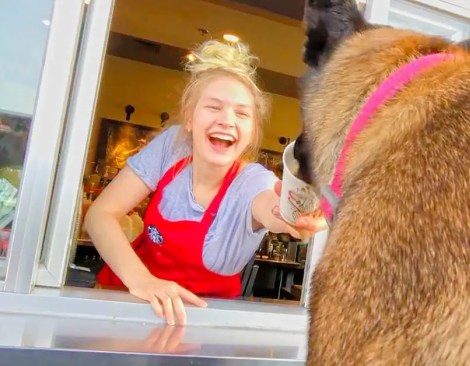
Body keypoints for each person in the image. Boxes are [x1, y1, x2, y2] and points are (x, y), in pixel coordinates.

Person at [84, 39, 324, 326]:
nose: (227, 120)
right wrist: (143, 281)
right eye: (214, 107)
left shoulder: (252, 181)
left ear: (251, 131)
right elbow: (100, 215)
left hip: (198, 333)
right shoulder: (171, 147)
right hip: (122, 309)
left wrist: (295, 212)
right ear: (189, 117)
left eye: (242, 113)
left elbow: (272, 205)